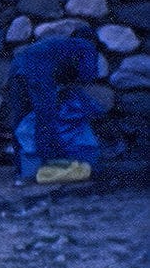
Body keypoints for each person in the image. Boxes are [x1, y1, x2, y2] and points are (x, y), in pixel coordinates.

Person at [6, 27, 102, 180]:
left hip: (17, 68)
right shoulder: (86, 46)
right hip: (39, 73)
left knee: (21, 119)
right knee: (46, 118)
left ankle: (23, 169)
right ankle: (48, 165)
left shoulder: (57, 44)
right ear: (93, 41)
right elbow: (87, 75)